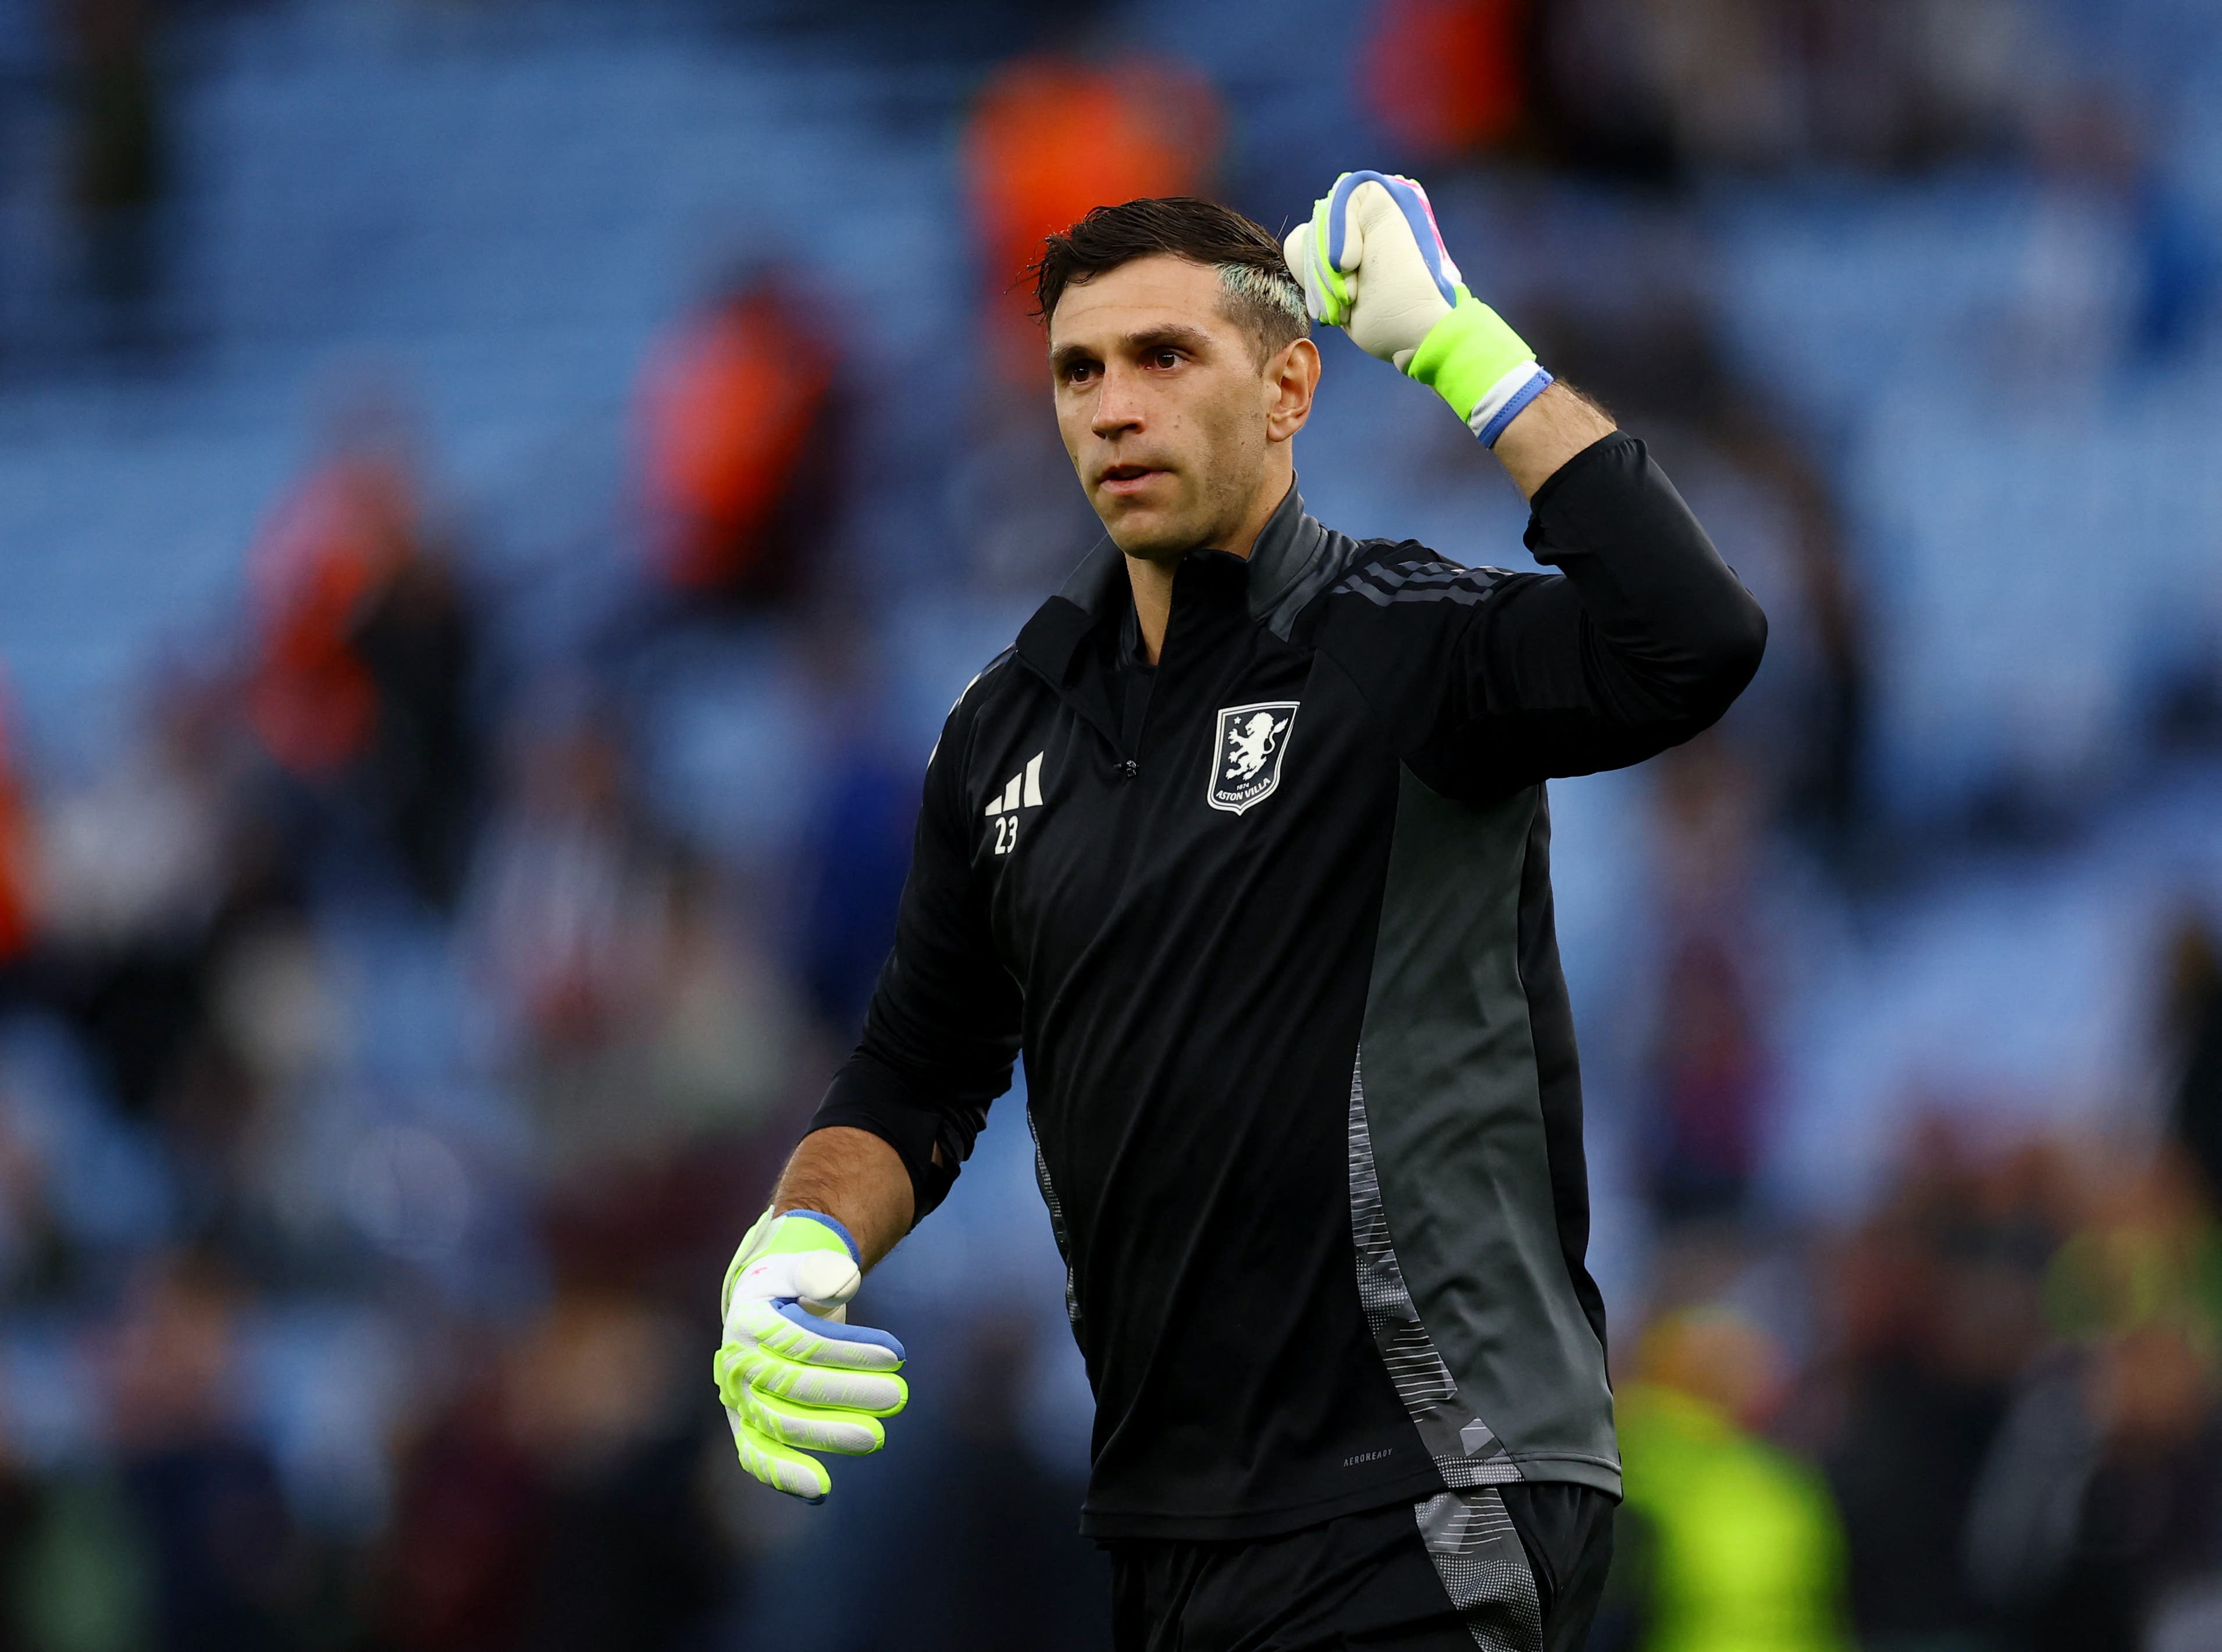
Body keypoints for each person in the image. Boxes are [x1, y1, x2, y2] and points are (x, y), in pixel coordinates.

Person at [713, 177, 1767, 1651]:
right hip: (1171, 1520)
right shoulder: (1001, 732)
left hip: (1429, 1465)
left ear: (1288, 390)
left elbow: (1691, 638)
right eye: (1079, 369)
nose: (1112, 405)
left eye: (1164, 357)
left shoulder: (1400, 640)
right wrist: (794, 1237)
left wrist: (1464, 348)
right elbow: (918, 1068)